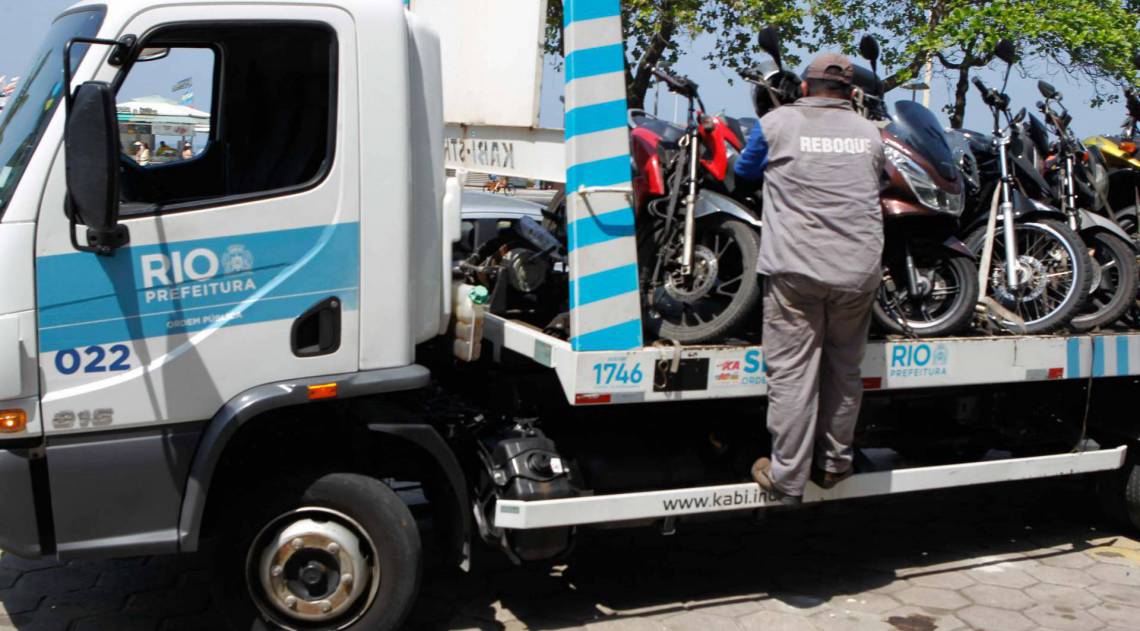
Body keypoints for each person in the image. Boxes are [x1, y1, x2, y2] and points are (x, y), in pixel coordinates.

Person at [734, 52, 885, 504]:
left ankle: (788, 476)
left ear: (804, 87)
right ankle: (835, 464)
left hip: (796, 270)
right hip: (858, 271)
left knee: (793, 374)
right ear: (851, 92)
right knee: (844, 370)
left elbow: (742, 172)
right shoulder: (870, 133)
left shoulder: (777, 123)